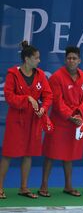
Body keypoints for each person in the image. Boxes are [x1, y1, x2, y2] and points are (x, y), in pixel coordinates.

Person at [0, 41, 52, 199]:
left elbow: (48, 95)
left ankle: (24, 187)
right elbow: (9, 97)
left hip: (34, 121)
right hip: (16, 121)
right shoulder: (12, 75)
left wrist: (43, 108)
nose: (39, 60)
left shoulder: (40, 74)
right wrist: (27, 98)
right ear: (27, 59)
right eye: (36, 58)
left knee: (28, 154)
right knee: (8, 154)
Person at [39, 46, 83, 197]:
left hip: (75, 122)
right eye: (69, 58)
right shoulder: (57, 77)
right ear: (65, 60)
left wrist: (79, 113)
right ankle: (43, 186)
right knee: (51, 154)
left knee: (69, 155)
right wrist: (70, 115)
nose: (71, 61)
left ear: (79, 60)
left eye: (74, 58)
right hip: (59, 122)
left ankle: (68, 186)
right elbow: (57, 102)